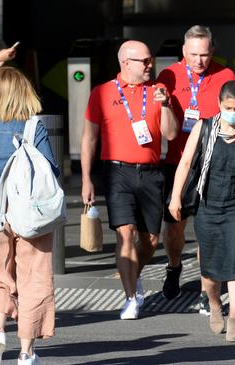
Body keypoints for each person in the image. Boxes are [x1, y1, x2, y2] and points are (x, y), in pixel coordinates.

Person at [168, 80, 235, 342]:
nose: (233, 112)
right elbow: (184, 163)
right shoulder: (203, 128)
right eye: (228, 107)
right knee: (210, 265)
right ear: (219, 104)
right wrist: (175, 198)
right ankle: (215, 303)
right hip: (207, 204)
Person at [81, 40, 178, 320]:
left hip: (151, 172)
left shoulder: (159, 90)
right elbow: (89, 138)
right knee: (126, 233)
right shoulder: (102, 92)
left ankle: (133, 277)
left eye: (151, 60)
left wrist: (167, 104)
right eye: (144, 61)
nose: (150, 65)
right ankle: (131, 297)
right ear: (126, 63)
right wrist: (86, 179)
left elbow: (170, 135)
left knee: (149, 240)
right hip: (116, 171)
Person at [155, 26, 235, 312]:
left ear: (212, 51)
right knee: (175, 226)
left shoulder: (225, 75)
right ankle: (174, 266)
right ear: (183, 52)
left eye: (204, 54)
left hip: (212, 162)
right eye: (193, 55)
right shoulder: (168, 76)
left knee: (208, 230)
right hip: (177, 162)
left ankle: (207, 292)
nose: (199, 61)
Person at [0, 67, 60, 365]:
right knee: (35, 277)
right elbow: (50, 170)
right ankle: (26, 352)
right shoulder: (34, 127)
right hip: (30, 211)